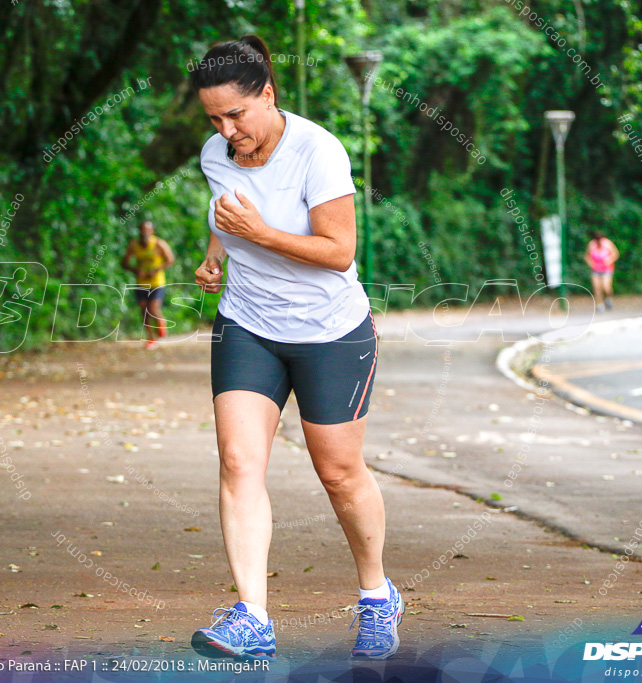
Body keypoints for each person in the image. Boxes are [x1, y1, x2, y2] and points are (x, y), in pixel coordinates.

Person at [188, 35, 402, 662]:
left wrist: (262, 233)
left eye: (237, 115)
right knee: (237, 462)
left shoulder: (319, 151)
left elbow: (339, 253)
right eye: (214, 119)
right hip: (249, 325)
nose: (228, 131)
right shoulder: (216, 154)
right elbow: (227, 212)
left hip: (330, 333)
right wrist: (215, 254)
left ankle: (375, 595)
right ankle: (252, 615)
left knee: (338, 472)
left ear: (268, 96)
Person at [121, 220, 175, 349]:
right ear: (139, 231)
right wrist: (135, 270)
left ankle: (161, 322)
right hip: (141, 283)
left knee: (153, 309)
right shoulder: (134, 246)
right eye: (142, 229)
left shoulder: (158, 244)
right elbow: (124, 263)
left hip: (157, 282)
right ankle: (151, 338)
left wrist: (156, 270)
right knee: (144, 311)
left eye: (147, 230)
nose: (144, 232)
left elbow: (170, 259)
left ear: (152, 231)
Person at [584, 231, 619, 312]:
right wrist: (591, 263)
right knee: (597, 288)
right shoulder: (592, 245)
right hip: (596, 270)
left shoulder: (607, 244)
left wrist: (609, 260)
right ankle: (599, 305)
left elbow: (615, 254)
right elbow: (587, 256)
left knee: (606, 287)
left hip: (607, 269)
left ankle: (608, 299)